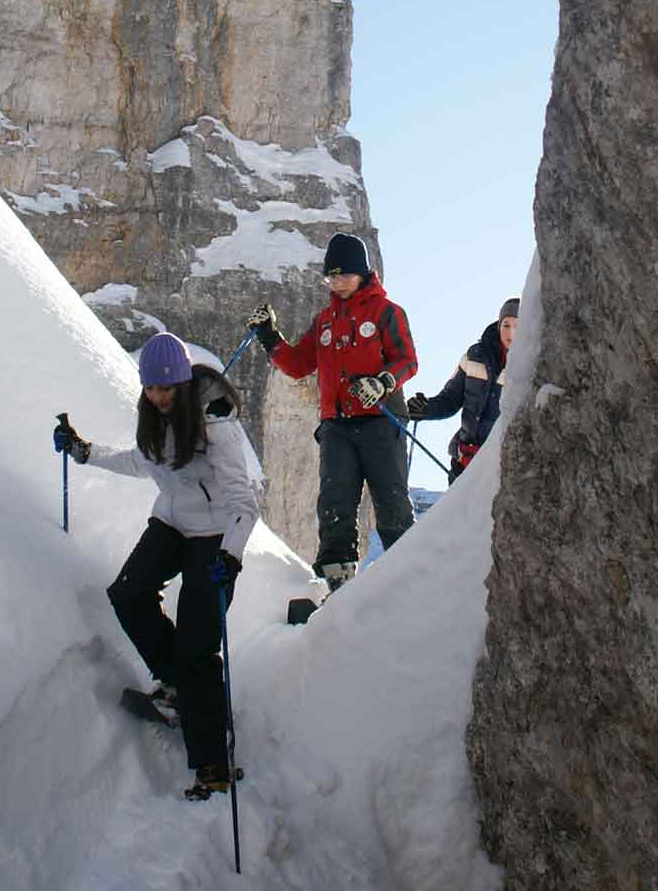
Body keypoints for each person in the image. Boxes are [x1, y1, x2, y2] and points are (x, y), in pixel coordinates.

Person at [52, 332, 259, 800]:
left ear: (183, 383)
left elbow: (244, 503)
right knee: (128, 593)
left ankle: (213, 763)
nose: (157, 396)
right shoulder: (154, 419)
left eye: (165, 388)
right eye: (150, 388)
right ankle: (178, 686)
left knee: (198, 644)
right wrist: (85, 452)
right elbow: (138, 461)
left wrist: (230, 556)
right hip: (171, 523)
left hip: (216, 536)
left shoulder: (216, 426)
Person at [243, 232, 417, 592]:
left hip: (380, 421)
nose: (337, 284)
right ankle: (337, 585)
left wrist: (382, 382)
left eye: (344, 276)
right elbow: (297, 365)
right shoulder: (324, 321)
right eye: (331, 278)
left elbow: (407, 360)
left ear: (362, 274)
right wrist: (268, 336)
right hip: (337, 426)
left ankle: (411, 581)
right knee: (335, 505)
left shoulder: (387, 312)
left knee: (391, 503)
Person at [406, 297, 518, 483]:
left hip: (502, 465)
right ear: (499, 326)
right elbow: (450, 398)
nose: (511, 332)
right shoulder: (475, 356)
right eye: (506, 325)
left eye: (518, 326)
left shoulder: (530, 366)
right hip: (464, 460)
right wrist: (426, 408)